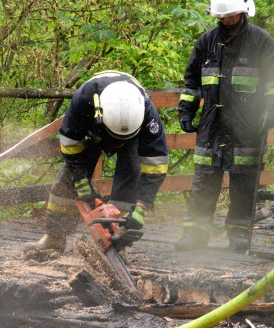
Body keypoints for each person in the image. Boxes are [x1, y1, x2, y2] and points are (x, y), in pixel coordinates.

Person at [175, 0, 274, 253]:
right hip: (211, 125)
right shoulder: (206, 42)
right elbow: (192, 81)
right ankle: (195, 235)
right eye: (221, 16)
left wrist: (272, 109)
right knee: (203, 182)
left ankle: (238, 236)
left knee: (244, 184)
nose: (226, 20)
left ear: (242, 11)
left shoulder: (260, 41)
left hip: (247, 125)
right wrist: (186, 110)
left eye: (231, 15)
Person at [29, 71, 169, 255]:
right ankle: (54, 236)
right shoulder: (84, 100)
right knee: (67, 179)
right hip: (93, 132)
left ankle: (118, 244)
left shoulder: (146, 112)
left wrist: (141, 209)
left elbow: (156, 164)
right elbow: (70, 146)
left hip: (132, 138)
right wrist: (81, 181)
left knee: (131, 175)